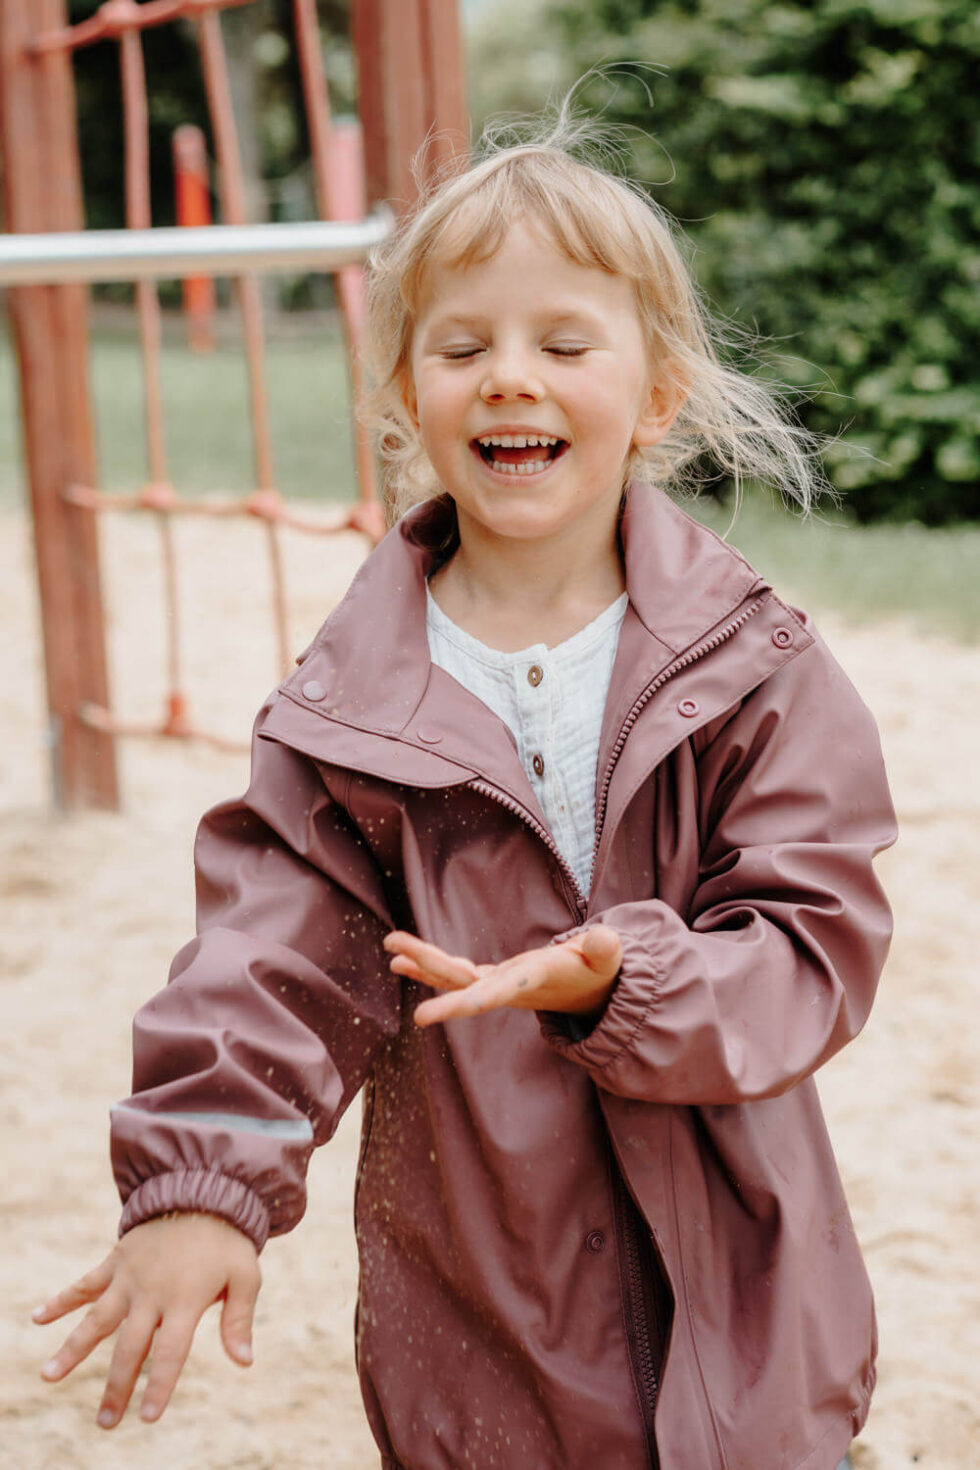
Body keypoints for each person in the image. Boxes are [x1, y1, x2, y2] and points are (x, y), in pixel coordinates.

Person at [34, 111, 895, 1470]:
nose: (510, 379)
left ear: (657, 392)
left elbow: (815, 944)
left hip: (742, 1313)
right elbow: (272, 964)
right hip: (485, 1316)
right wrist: (205, 1179)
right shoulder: (348, 708)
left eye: (563, 345)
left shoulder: (754, 667)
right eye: (461, 346)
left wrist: (627, 982)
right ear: (401, 394)